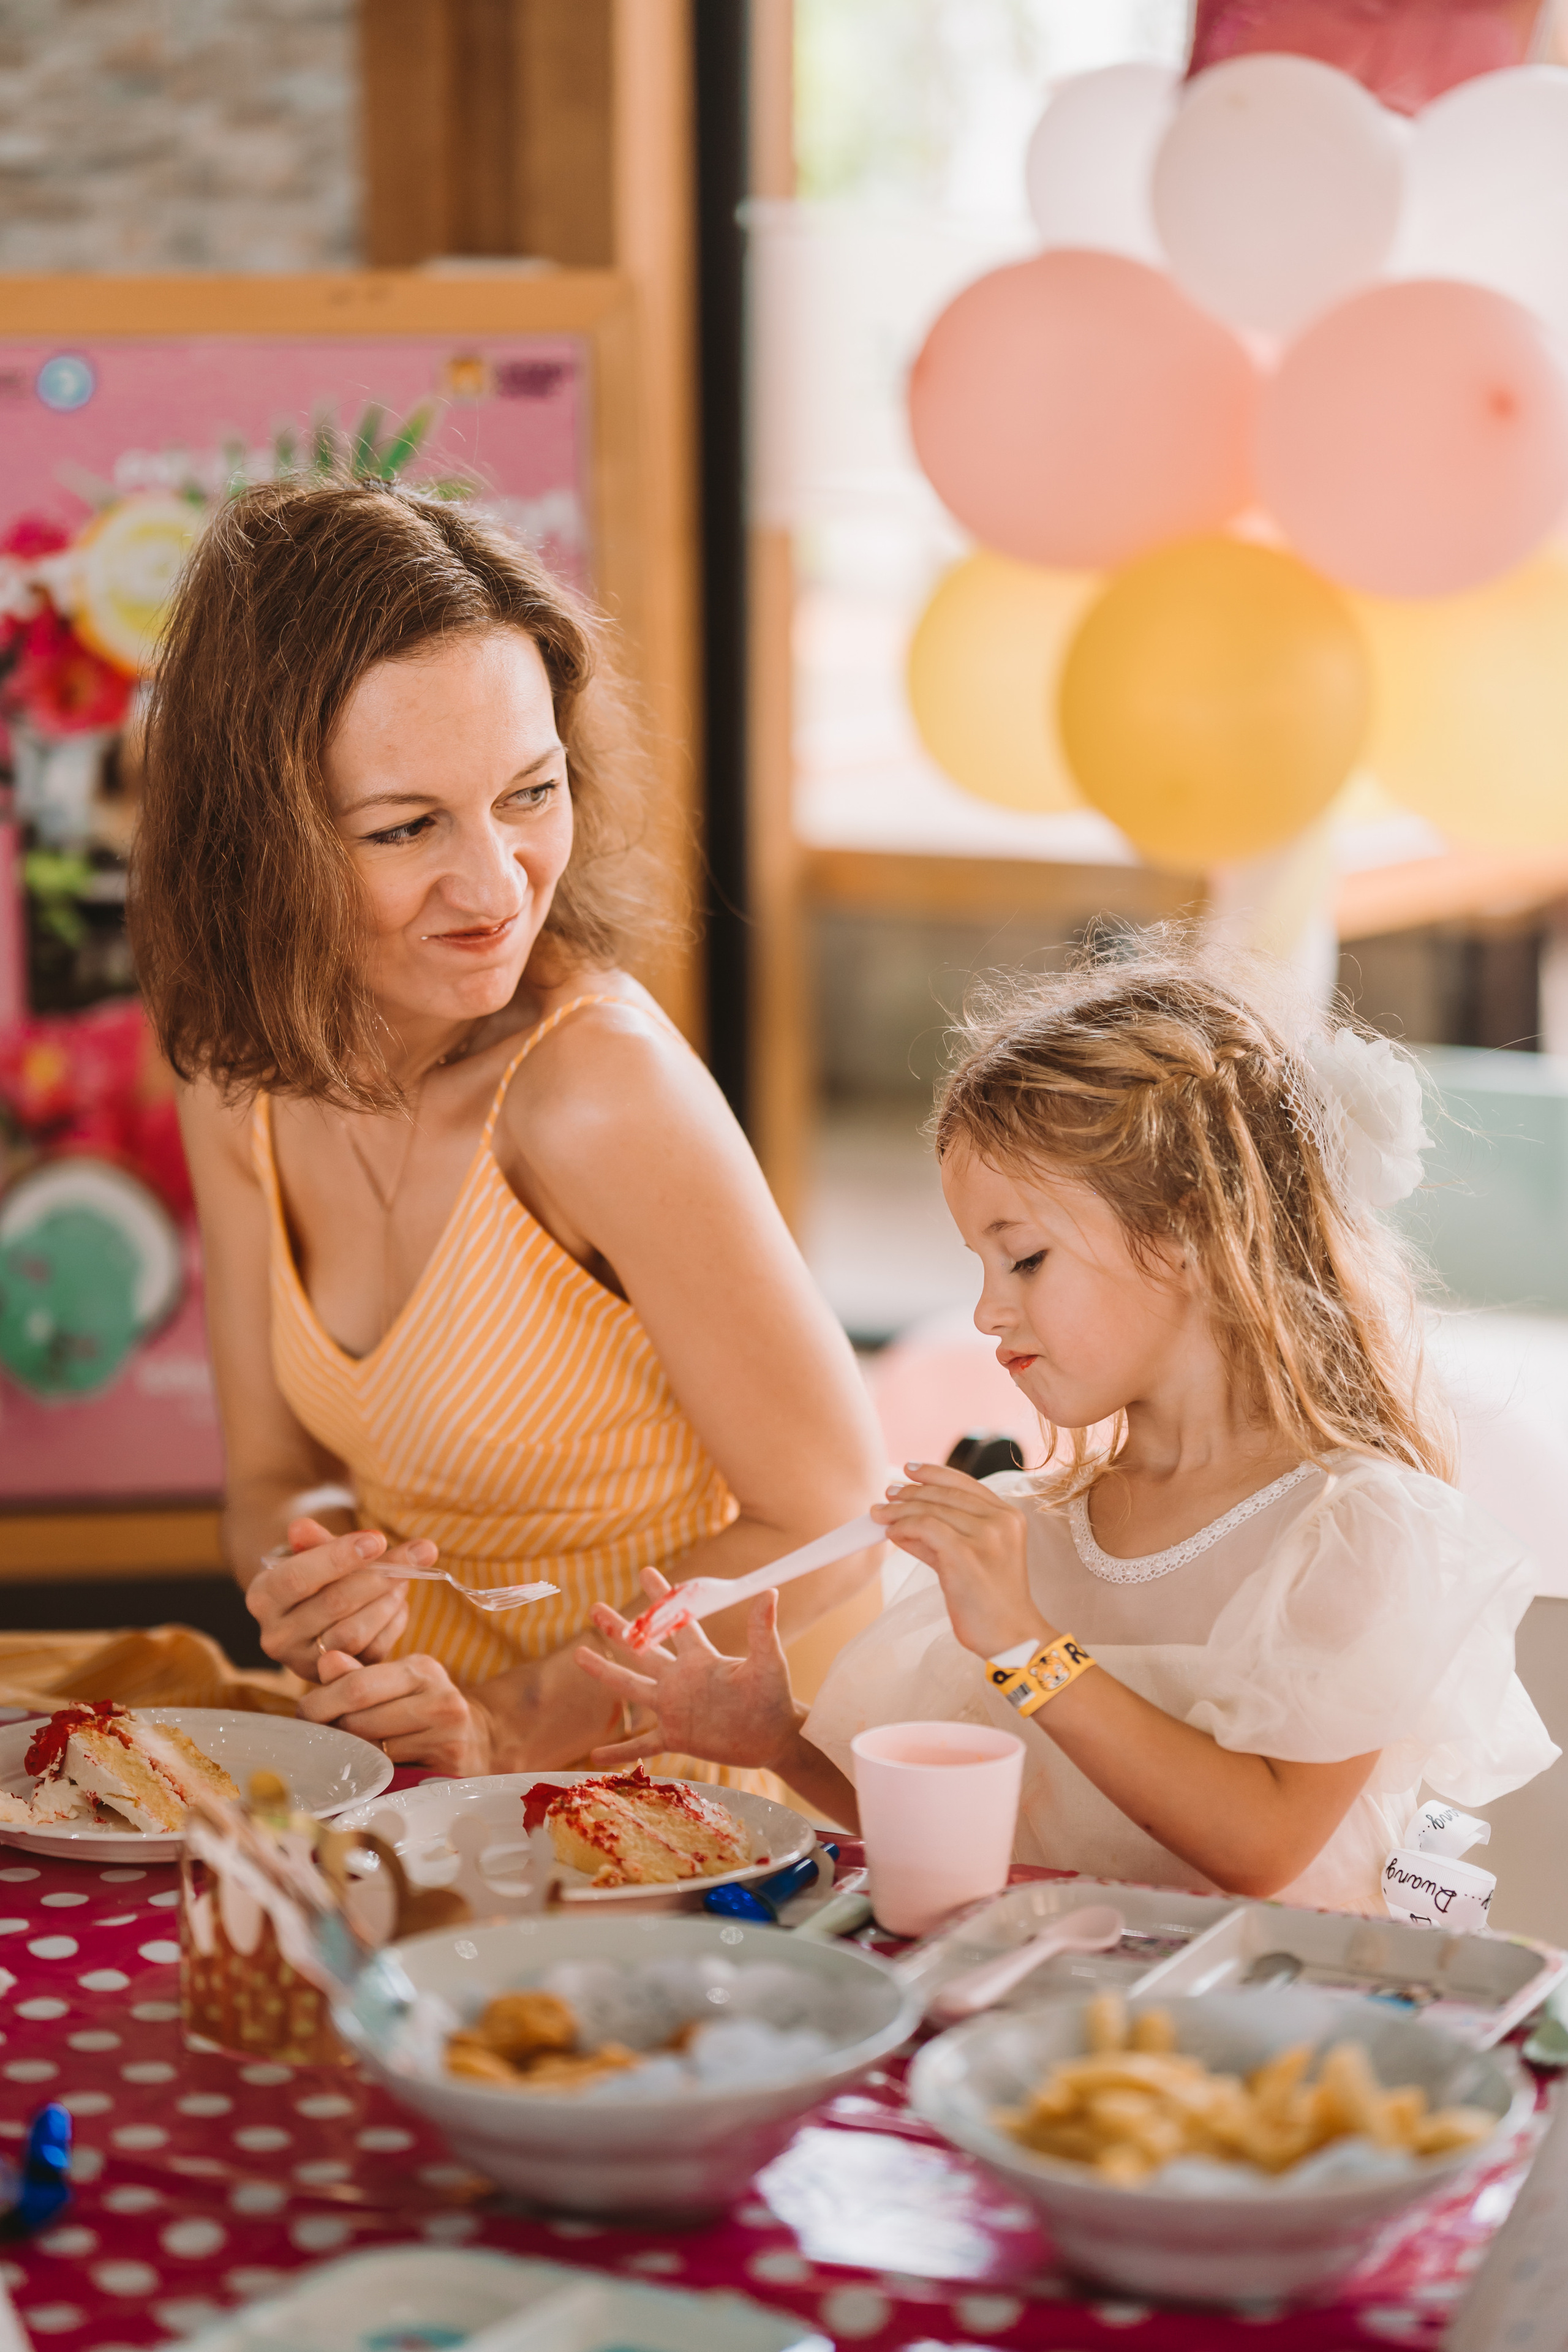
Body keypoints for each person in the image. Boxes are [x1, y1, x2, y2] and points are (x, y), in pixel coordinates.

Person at [129, 476, 884, 1777]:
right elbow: (272, 1479)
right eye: (405, 828)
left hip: (686, 1794)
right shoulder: (234, 1078)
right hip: (424, 1777)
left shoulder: (599, 1095)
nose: (493, 887)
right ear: (259, 845)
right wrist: (314, 1575)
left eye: (531, 794)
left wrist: (514, 1719)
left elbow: (831, 1526)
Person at [578, 940, 1559, 1912]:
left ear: (1186, 1232)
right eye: (980, 1266)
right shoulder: (1036, 1532)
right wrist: (779, 1741)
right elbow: (971, 1824)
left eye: (1026, 1259)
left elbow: (1259, 1849)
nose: (986, 1311)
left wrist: (1027, 1645)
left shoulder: (1356, 1527)